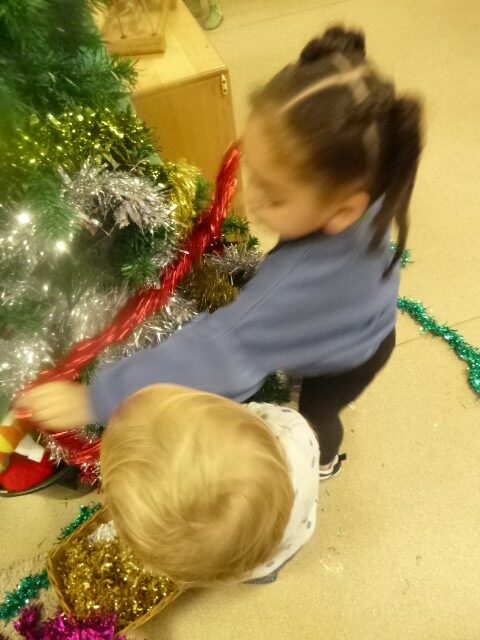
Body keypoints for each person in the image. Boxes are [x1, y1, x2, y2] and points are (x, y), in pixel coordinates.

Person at [16, 26, 423, 481]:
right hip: (370, 316)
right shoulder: (374, 175)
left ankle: (323, 461)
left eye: (273, 196)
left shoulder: (286, 289)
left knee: (316, 419)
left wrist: (95, 399)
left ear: (345, 209)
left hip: (350, 355)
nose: (249, 202)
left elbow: (212, 353)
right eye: (253, 175)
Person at [100, 384, 319, 585]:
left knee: (259, 570)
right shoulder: (294, 431)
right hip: (296, 532)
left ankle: (261, 573)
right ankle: (268, 571)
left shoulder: (213, 557)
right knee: (274, 561)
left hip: (252, 567)